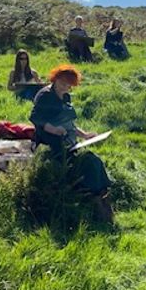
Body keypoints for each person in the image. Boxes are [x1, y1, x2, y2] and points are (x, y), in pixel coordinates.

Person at [30, 64, 113, 221]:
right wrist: (53, 129)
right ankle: (94, 200)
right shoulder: (45, 95)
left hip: (69, 141)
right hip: (50, 141)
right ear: (55, 79)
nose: (65, 88)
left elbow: (70, 124)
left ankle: (103, 195)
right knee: (86, 164)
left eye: (69, 86)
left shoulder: (66, 96)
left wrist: (85, 135)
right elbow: (36, 118)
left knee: (94, 160)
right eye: (62, 84)